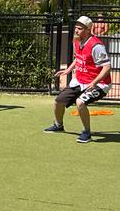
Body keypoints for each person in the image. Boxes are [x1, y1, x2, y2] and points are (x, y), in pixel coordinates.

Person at [45, 15, 111, 143]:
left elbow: (107, 67)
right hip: (80, 81)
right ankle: (58, 125)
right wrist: (68, 70)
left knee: (80, 102)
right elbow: (78, 58)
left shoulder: (96, 46)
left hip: (100, 83)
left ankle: (86, 132)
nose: (76, 30)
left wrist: (94, 82)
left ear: (88, 30)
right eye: (76, 28)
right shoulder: (76, 41)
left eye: (80, 28)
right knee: (58, 101)